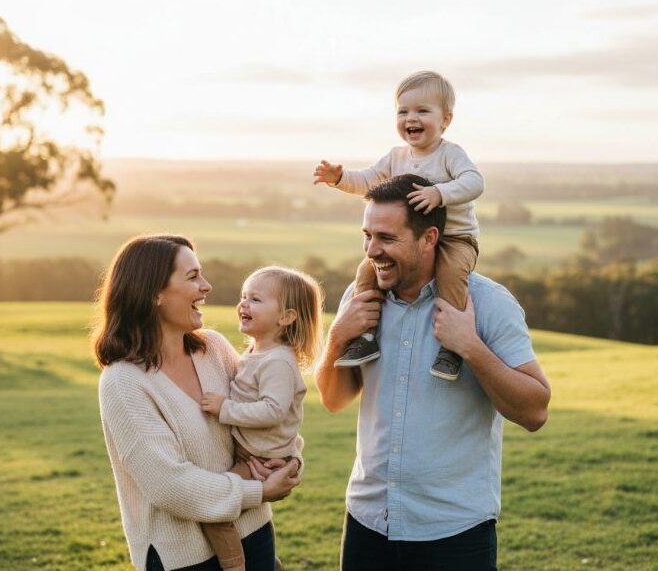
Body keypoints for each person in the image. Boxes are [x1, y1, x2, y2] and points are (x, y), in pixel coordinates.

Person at [314, 176, 551, 571]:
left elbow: (535, 411)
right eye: (367, 236)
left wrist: (470, 346)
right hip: (367, 523)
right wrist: (338, 337)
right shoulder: (359, 299)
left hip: (454, 533)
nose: (373, 251)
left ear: (429, 238)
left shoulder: (488, 303)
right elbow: (334, 399)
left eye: (387, 238)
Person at [94, 235, 300, 571]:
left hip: (254, 531)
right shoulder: (123, 382)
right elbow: (170, 486)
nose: (206, 286)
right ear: (154, 293)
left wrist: (289, 462)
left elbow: (273, 412)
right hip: (185, 555)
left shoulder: (214, 348)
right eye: (192, 277)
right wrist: (257, 491)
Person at [314, 70, 484, 381]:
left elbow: (474, 182)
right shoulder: (396, 157)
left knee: (449, 276)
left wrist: (439, 193)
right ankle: (365, 337)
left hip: (455, 238)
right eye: (403, 111)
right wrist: (339, 179)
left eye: (422, 111)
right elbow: (368, 181)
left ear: (446, 119)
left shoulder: (450, 154)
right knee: (366, 271)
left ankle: (452, 347)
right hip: (408, 243)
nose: (411, 118)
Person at [198, 266, 324, 571]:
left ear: (286, 317)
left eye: (255, 299)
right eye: (243, 296)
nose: (243, 304)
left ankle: (234, 566)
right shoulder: (257, 352)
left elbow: (273, 411)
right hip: (254, 452)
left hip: (261, 459)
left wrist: (224, 408)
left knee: (214, 512)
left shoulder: (278, 361)